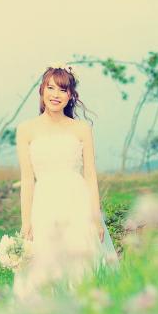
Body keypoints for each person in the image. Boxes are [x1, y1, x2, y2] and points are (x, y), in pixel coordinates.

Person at [13, 64, 117, 298]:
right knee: (45, 264)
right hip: (44, 204)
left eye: (62, 90)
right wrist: (26, 221)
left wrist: (96, 217)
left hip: (77, 203)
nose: (56, 95)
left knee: (80, 264)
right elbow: (27, 179)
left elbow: (90, 175)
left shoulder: (81, 129)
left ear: (70, 95)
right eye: (51, 88)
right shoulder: (26, 129)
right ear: (42, 90)